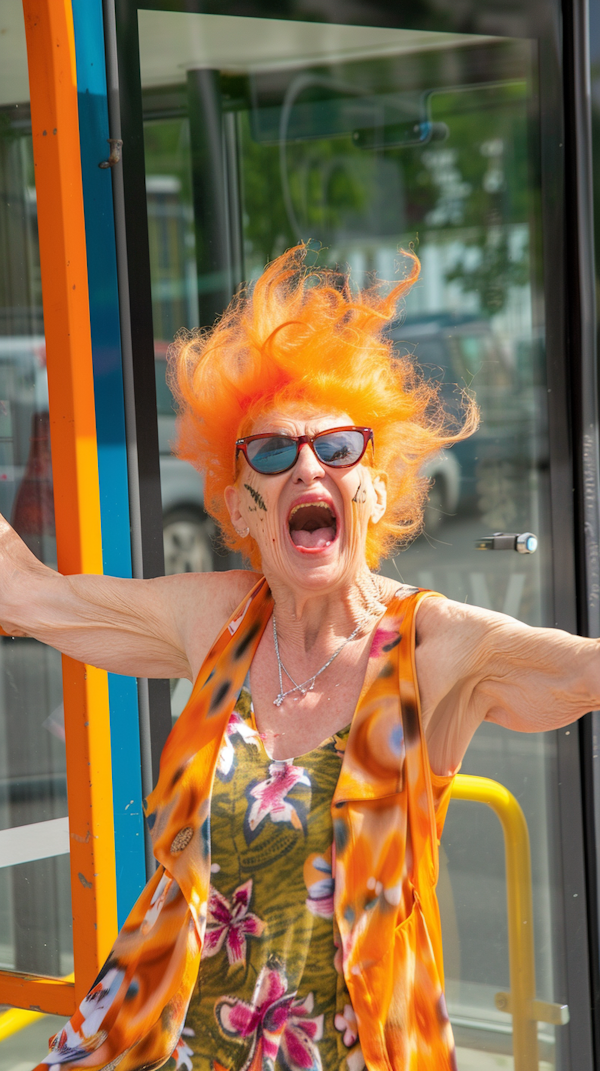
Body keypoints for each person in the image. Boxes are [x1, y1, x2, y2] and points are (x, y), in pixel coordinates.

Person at [1, 245, 597, 1071]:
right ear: (242, 503)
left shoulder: (433, 643)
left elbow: (577, 667)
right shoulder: (220, 619)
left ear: (376, 489)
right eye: (273, 453)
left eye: (340, 448)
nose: (308, 465)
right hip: (161, 1043)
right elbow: (32, 597)